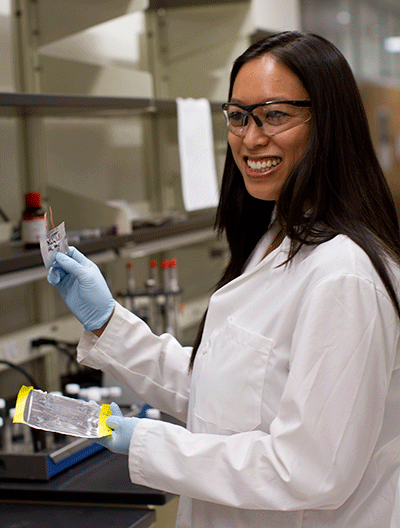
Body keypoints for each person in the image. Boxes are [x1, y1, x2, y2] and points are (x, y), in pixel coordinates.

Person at [47, 31, 400, 527]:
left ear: (328, 123)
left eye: (274, 115)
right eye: (238, 116)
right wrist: (107, 324)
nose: (251, 138)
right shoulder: (274, 238)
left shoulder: (344, 276)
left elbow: (308, 470)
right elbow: (225, 395)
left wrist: (147, 441)